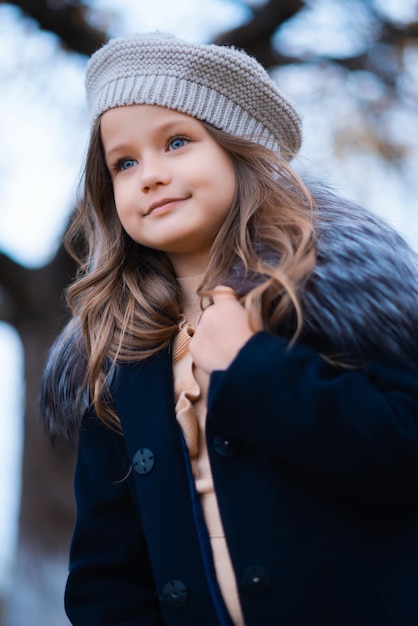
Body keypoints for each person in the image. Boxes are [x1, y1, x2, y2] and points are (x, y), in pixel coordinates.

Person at [40, 32, 418, 626]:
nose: (151, 175)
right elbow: (107, 574)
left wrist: (252, 368)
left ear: (240, 151)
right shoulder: (115, 358)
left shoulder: (327, 296)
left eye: (178, 141)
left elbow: (401, 454)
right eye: (125, 162)